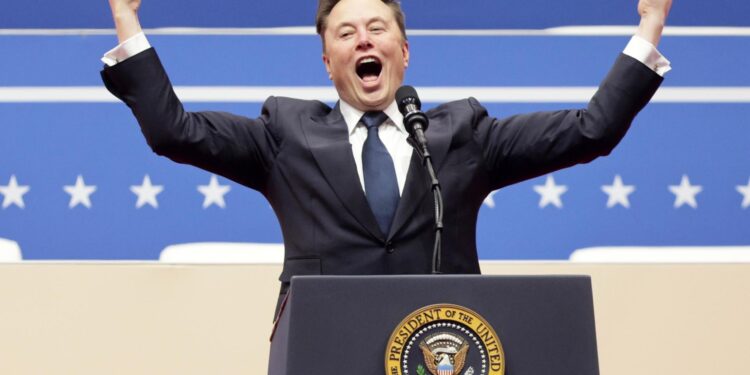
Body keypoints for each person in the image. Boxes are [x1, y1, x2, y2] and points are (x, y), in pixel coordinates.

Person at [102, 0, 673, 313]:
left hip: (442, 346)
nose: (364, 41)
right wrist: (127, 18)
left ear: (404, 52)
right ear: (327, 62)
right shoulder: (284, 134)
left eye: (377, 28)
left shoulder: (462, 132)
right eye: (346, 34)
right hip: (323, 344)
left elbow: (590, 131)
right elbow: (173, 131)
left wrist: (650, 25)